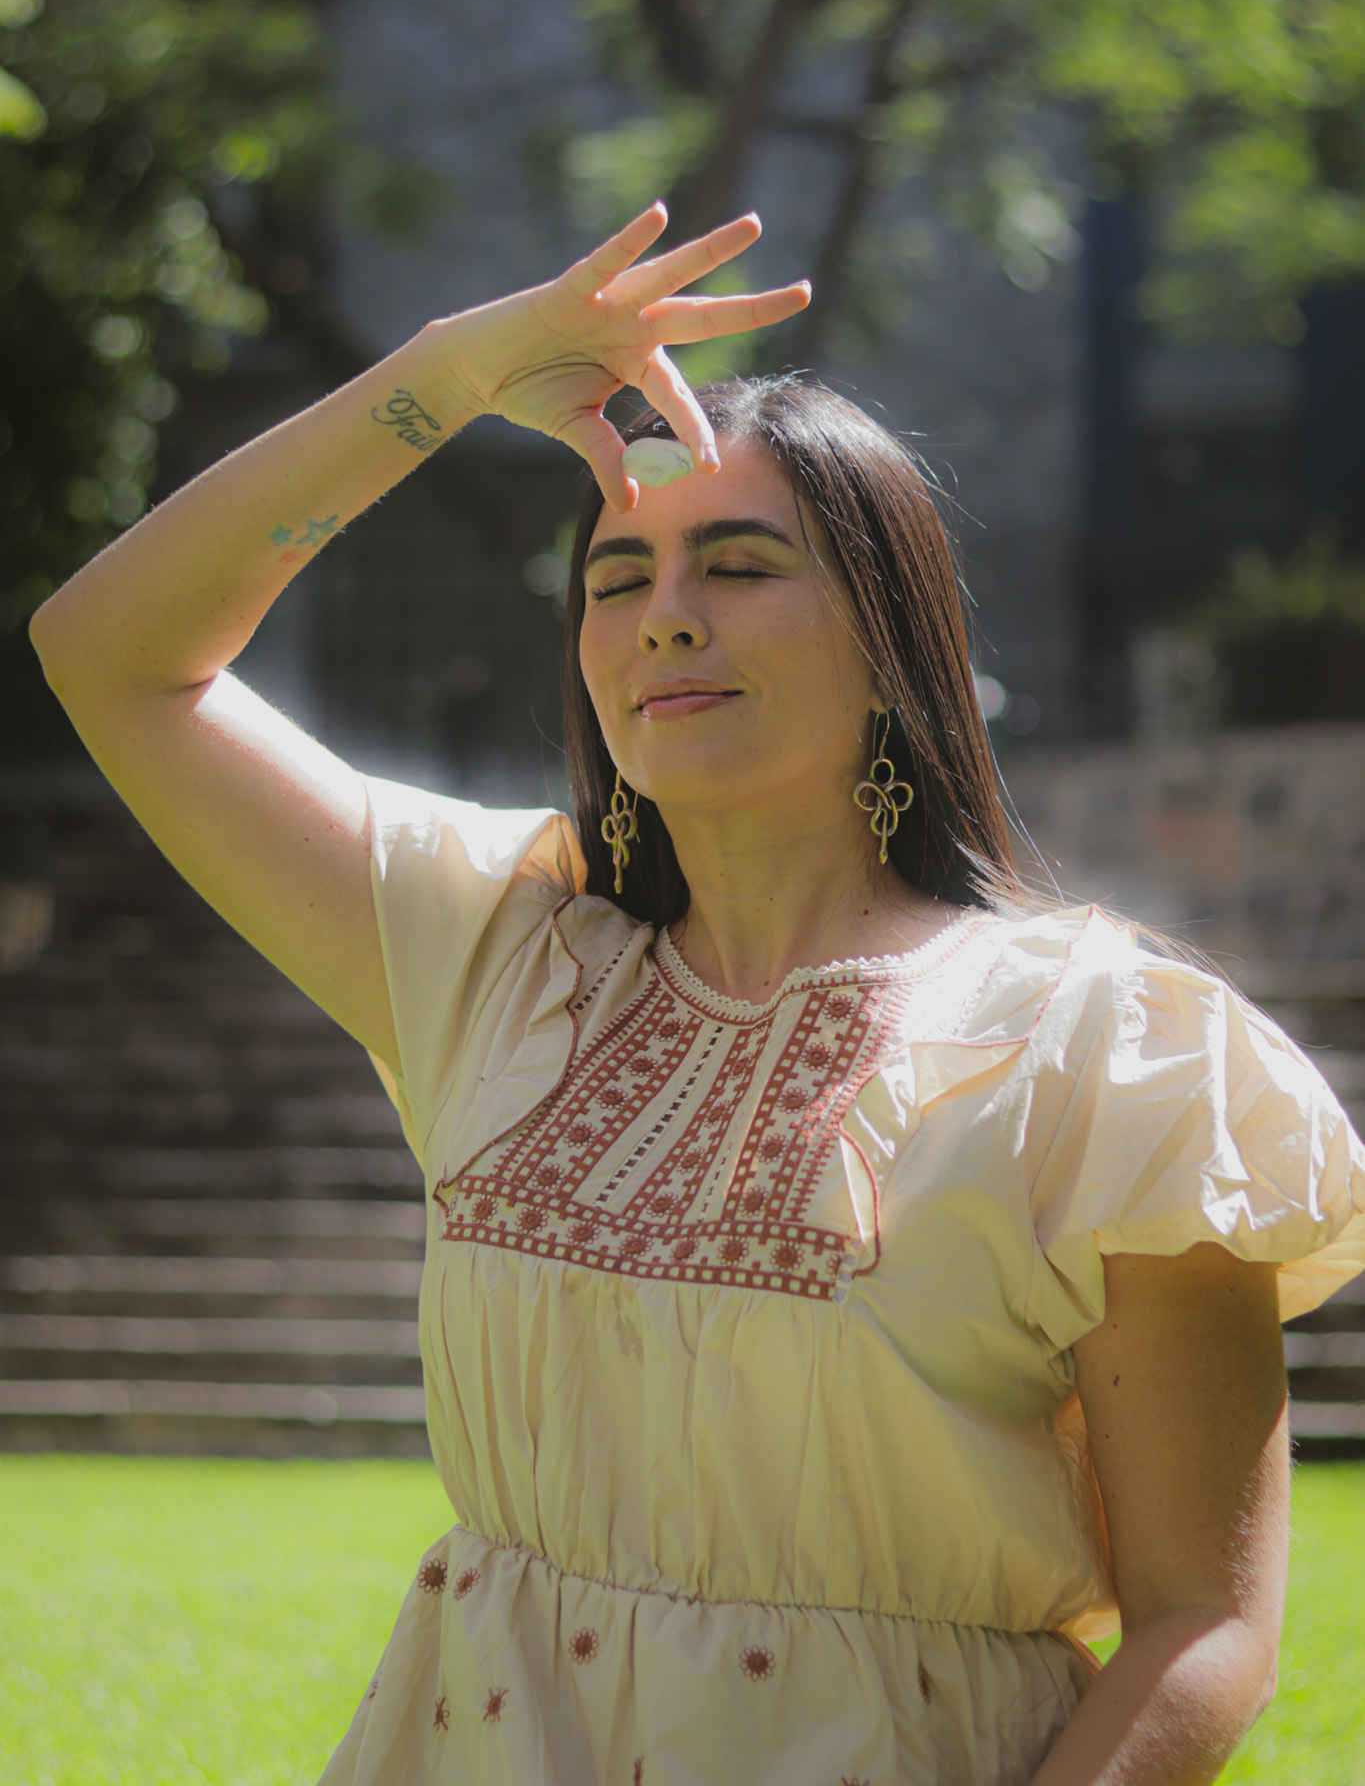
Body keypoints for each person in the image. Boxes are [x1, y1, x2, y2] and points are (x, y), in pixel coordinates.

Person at [30, 204, 1365, 1786]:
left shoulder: (1108, 1048)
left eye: (738, 565)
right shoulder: (491, 952)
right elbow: (110, 650)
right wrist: (452, 374)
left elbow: (1198, 1625)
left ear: (893, 643)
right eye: (617, 577)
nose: (665, 613)